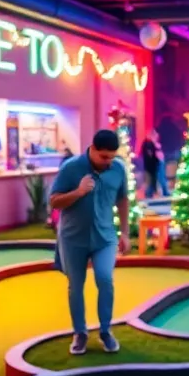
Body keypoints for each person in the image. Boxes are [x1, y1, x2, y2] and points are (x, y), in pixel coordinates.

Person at [49, 129, 131, 356]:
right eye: (104, 157)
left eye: (112, 157)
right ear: (92, 149)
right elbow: (54, 201)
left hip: (105, 237)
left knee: (105, 279)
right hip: (73, 238)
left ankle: (106, 331)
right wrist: (78, 191)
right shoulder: (71, 168)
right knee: (75, 286)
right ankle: (80, 333)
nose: (108, 162)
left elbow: (122, 199)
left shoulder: (118, 169)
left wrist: (125, 233)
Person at [140, 131, 162, 198]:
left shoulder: (148, 143)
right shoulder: (148, 143)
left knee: (150, 180)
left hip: (150, 165)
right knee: (150, 180)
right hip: (151, 165)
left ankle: (150, 193)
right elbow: (151, 155)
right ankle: (149, 193)